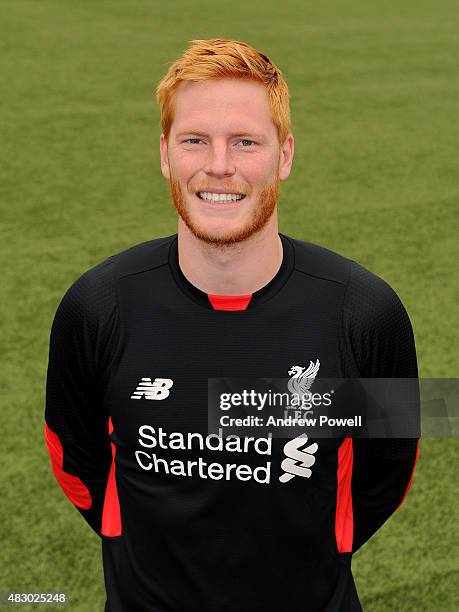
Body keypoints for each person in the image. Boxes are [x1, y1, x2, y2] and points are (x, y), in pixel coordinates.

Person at [44, 38, 420, 612]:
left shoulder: (367, 312)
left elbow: (390, 471)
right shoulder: (96, 306)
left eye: (245, 141)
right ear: (166, 154)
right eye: (195, 140)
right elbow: (74, 460)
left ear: (285, 155)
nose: (219, 165)